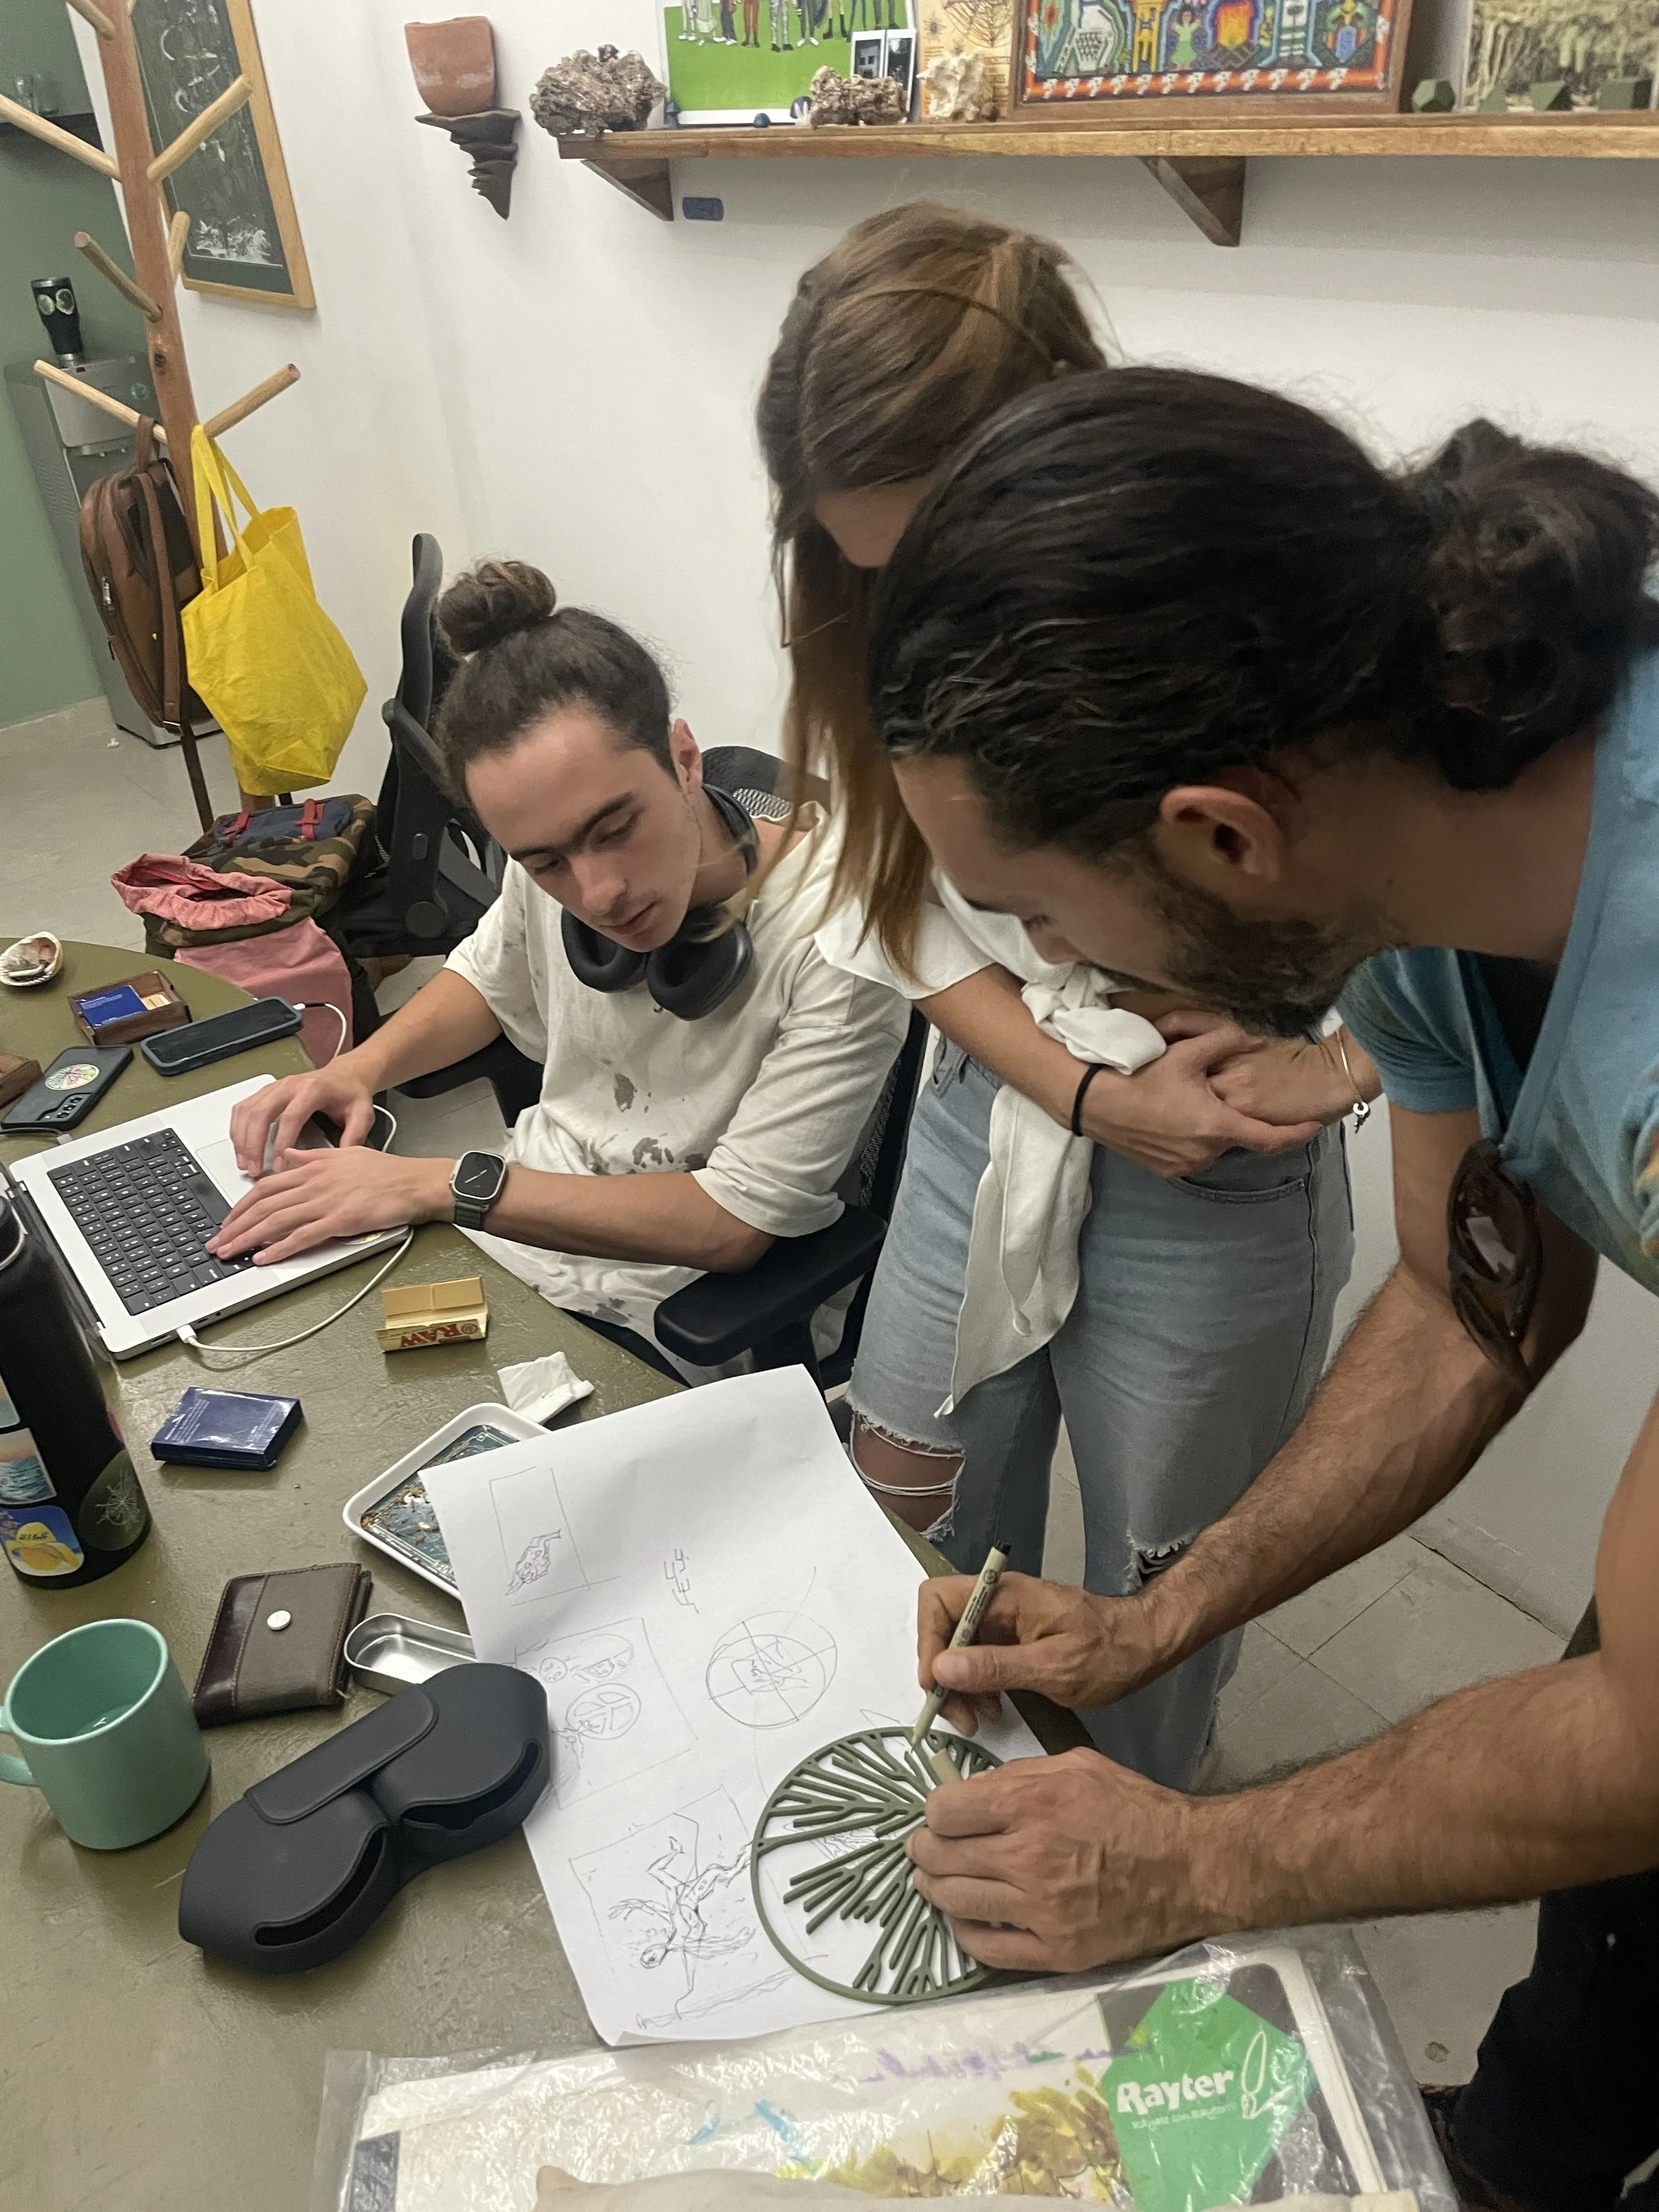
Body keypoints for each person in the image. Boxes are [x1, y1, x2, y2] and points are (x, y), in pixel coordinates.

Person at [866, 366, 1659, 2212]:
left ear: (1220, 834)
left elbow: (1642, 1734)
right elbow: (1478, 1297)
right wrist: (1158, 1617)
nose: (1048, 966)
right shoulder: (1402, 869)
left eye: (1047, 914)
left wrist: (1182, 1864)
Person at [758, 204, 1372, 1791]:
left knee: (1151, 1597)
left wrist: (1355, 1053)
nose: (921, 618)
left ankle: (1132, 1850)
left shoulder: (1240, 592)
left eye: (950, 553)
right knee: (910, 1512)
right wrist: (1081, 1085)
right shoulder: (857, 608)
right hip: (1003, 1103)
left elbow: (1435, 872)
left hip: (1217, 1146)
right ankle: (938, 1816)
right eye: (876, 571)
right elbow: (899, 899)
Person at [212, 560, 908, 1378]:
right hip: (518, 1236)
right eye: (544, 862)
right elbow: (488, 980)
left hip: (677, 1319)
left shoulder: (841, 936)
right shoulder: (550, 851)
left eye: (616, 828)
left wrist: (438, 1186)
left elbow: (731, 1225)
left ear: (684, 758)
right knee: (287, 1358)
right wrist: (358, 1069)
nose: (597, 892)